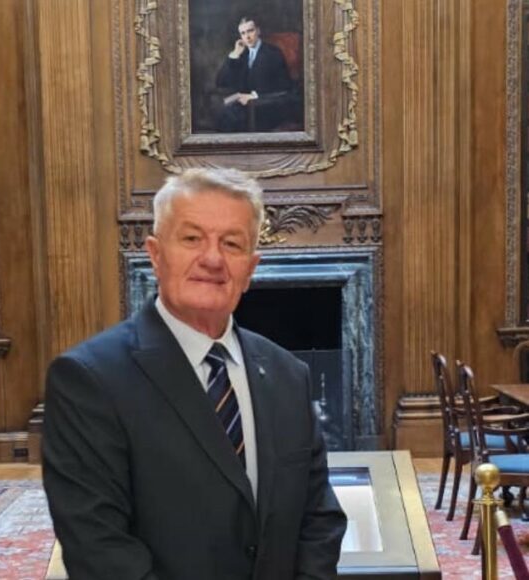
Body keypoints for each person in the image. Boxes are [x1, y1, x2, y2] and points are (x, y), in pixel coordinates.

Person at [42, 167, 346, 580]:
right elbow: (99, 548)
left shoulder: (288, 374)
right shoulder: (88, 380)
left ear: (251, 268)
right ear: (155, 254)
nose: (213, 259)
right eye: (191, 239)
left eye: (232, 244)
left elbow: (319, 518)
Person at [215, 17, 297, 132]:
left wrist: (254, 96)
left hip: (268, 106)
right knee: (224, 115)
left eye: (250, 31)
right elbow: (221, 82)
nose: (247, 37)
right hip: (246, 108)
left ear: (258, 31)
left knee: (233, 118)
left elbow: (283, 87)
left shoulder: (273, 53)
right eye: (243, 33)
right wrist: (234, 55)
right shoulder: (242, 54)